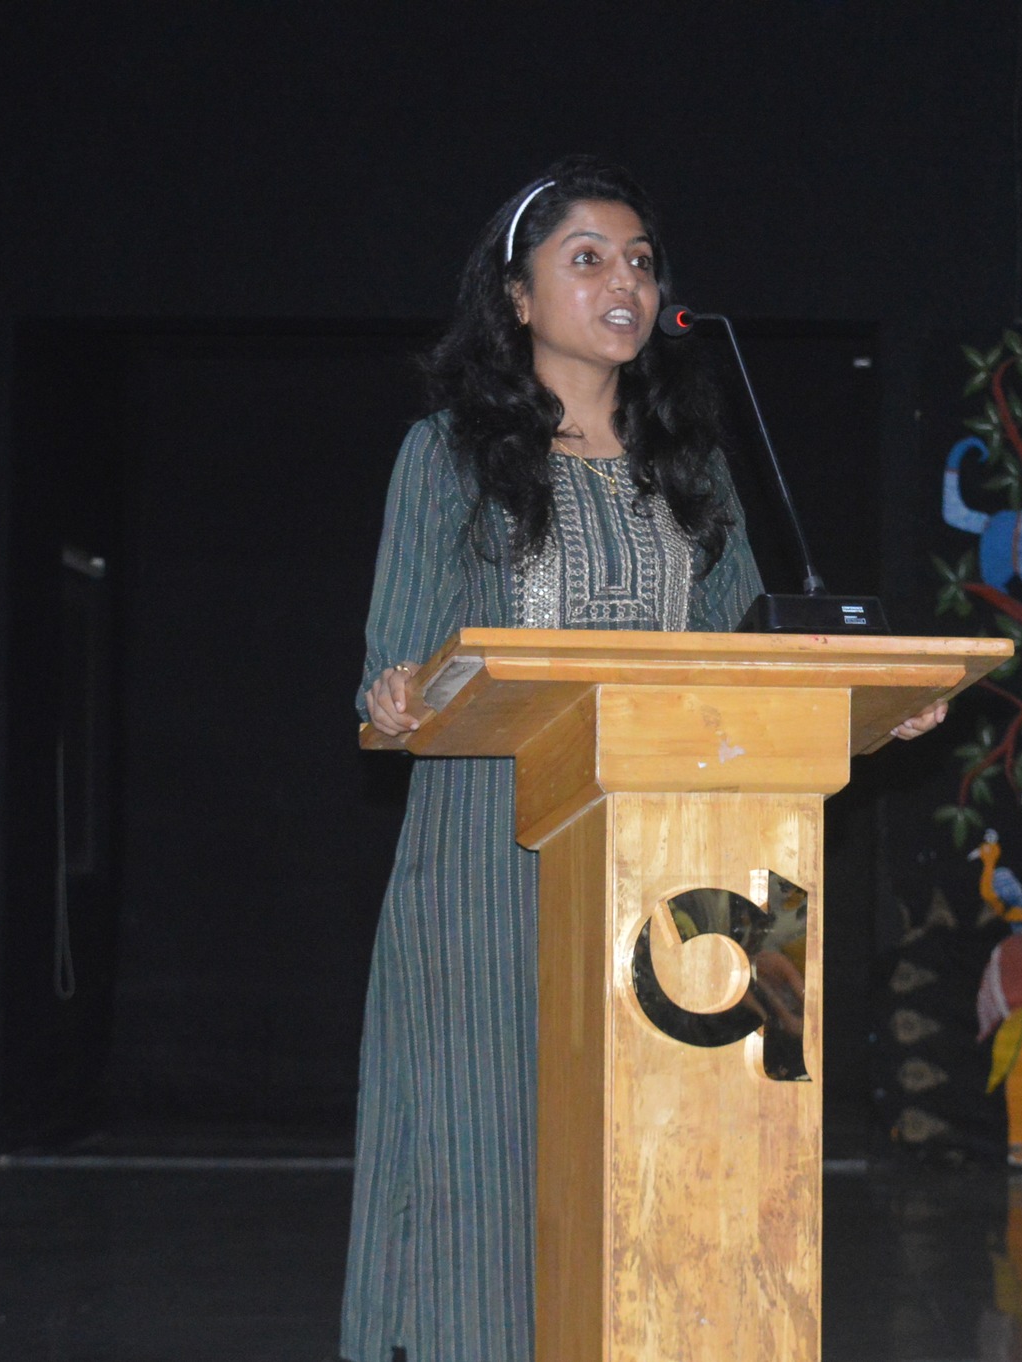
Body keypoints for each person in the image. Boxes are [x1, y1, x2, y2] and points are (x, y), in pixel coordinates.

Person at [343, 155, 946, 1362]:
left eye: (639, 261)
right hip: (493, 862)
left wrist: (856, 706)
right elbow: (393, 666)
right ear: (515, 296)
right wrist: (394, 692)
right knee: (492, 1147)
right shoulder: (448, 454)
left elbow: (742, 659)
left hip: (687, 867)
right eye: (586, 260)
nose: (624, 282)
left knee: (690, 1145)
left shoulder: (693, 462)